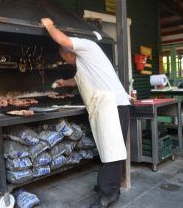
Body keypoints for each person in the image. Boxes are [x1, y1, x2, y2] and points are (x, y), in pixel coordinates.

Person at [41, 18, 130, 208]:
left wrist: (49, 26)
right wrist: (64, 83)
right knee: (107, 148)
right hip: (105, 108)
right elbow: (79, 79)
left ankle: (109, 194)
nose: (68, 61)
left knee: (112, 151)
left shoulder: (88, 47)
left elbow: (62, 40)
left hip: (115, 106)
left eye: (66, 58)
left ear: (70, 52)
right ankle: (108, 185)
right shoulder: (82, 64)